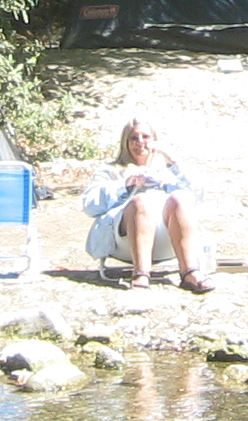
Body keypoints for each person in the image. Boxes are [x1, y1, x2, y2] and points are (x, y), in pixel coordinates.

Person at [82, 118, 213, 293]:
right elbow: (90, 206)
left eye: (145, 137)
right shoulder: (111, 171)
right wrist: (125, 185)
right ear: (125, 142)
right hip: (124, 242)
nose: (140, 142)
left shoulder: (169, 170)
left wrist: (174, 162)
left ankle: (190, 272)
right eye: (133, 138)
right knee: (141, 201)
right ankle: (141, 274)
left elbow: (197, 194)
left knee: (180, 198)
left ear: (154, 140)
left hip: (169, 240)